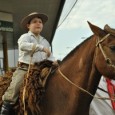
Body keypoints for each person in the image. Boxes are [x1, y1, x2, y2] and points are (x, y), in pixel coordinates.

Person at [0, 12, 57, 115]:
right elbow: (22, 46)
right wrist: (40, 48)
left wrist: (55, 61)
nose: (38, 24)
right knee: (15, 87)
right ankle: (5, 109)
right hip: (25, 69)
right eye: (34, 22)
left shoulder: (45, 41)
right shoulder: (25, 37)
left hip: (42, 69)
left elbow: (49, 56)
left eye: (40, 22)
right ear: (28, 25)